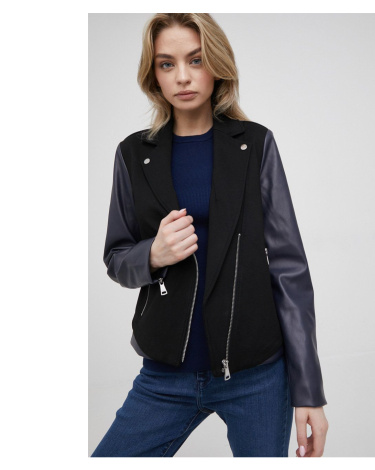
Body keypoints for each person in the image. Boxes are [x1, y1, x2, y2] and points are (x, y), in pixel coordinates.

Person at [91, 13, 328, 458]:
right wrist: (153, 254)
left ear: (217, 65)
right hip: (164, 375)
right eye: (167, 64)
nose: (182, 76)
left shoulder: (255, 144)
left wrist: (308, 391)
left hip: (257, 375)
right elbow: (116, 258)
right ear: (153, 75)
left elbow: (289, 268)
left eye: (196, 60)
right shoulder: (133, 153)